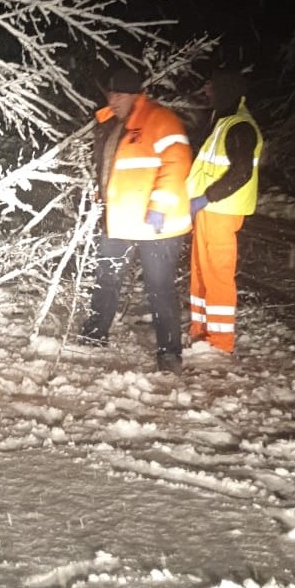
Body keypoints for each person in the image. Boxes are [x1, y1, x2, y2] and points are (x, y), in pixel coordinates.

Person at [81, 68, 193, 374]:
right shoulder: (113, 125)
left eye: (119, 95)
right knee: (107, 278)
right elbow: (109, 168)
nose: (112, 100)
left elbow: (177, 165)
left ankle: (169, 353)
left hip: (159, 225)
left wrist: (159, 206)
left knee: (159, 287)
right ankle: (94, 334)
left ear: (134, 95)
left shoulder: (160, 120)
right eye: (110, 95)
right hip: (121, 220)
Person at [185, 69, 263, 354]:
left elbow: (241, 172)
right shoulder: (224, 122)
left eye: (212, 88)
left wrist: (207, 197)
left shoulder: (240, 126)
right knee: (201, 273)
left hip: (220, 210)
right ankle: (201, 332)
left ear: (226, 90)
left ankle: (219, 342)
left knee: (217, 275)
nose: (207, 93)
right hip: (209, 212)